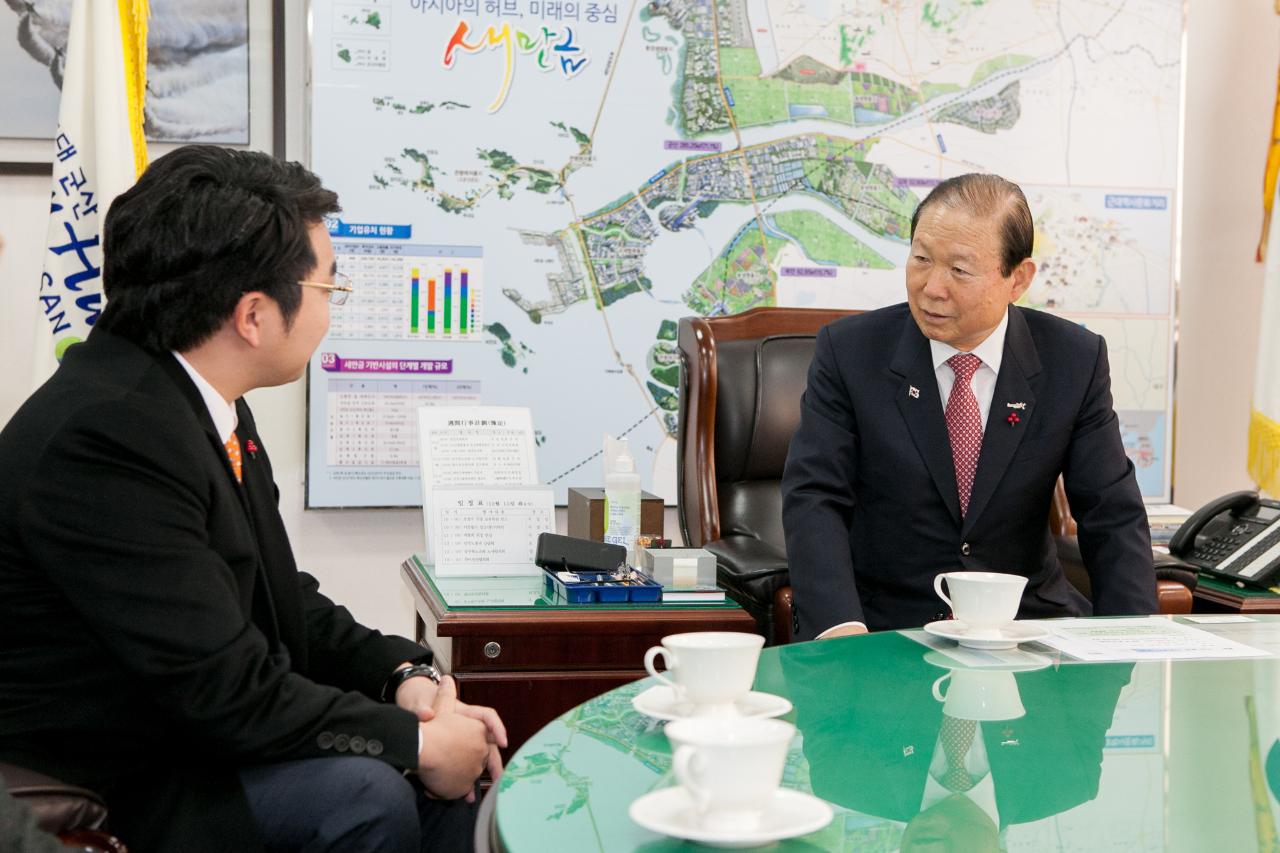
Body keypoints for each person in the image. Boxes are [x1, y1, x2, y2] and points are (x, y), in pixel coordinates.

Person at [0, 145, 506, 852]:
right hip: (123, 781)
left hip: (195, 740)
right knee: (370, 790)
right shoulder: (107, 435)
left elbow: (279, 596)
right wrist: (412, 744)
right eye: (330, 290)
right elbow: (224, 689)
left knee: (461, 769)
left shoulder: (195, 400)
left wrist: (403, 678)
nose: (331, 311)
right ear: (254, 315)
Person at [781, 172, 1158, 640]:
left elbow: (1111, 513)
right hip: (884, 628)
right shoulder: (851, 353)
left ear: (1018, 278)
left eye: (959, 270)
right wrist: (841, 626)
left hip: (1027, 629)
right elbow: (815, 495)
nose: (932, 287)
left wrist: (1136, 642)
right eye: (921, 259)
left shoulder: (1073, 360)